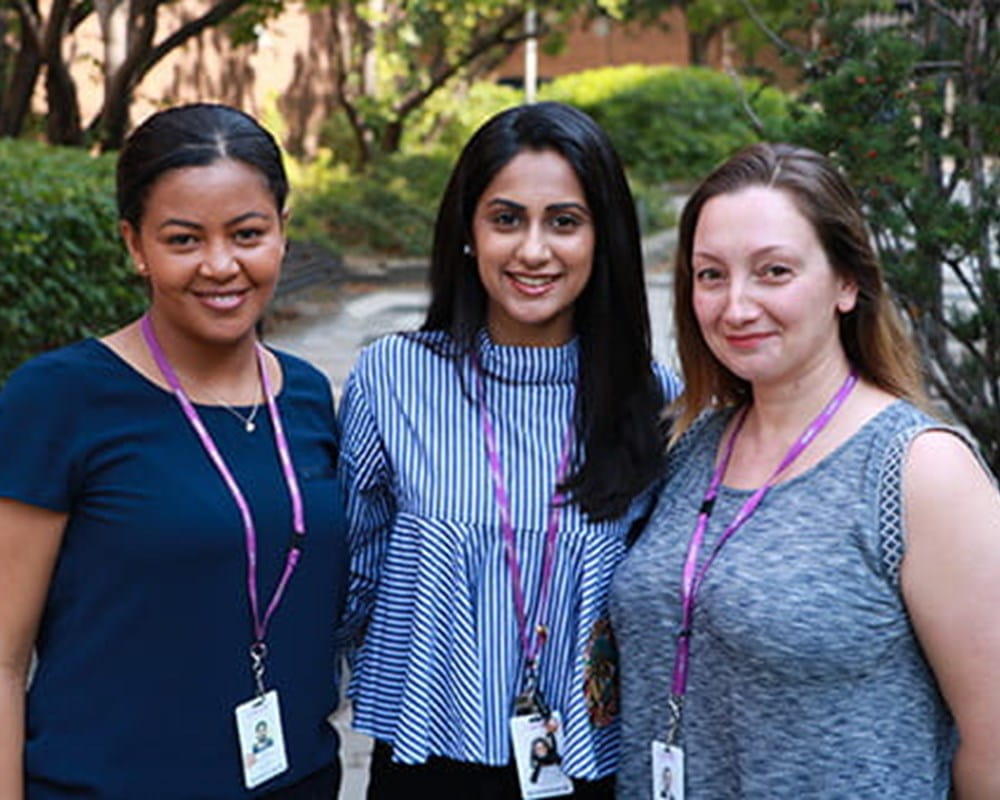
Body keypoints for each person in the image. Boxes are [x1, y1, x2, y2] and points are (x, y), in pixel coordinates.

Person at [610, 142, 1000, 798]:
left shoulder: (919, 472)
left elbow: (992, 749)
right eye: (711, 275)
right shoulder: (689, 446)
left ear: (847, 282)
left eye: (773, 272)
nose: (735, 306)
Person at [0, 103, 348, 799]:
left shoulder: (306, 396)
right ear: (136, 245)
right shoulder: (57, 399)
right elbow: (3, 662)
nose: (221, 265)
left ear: (282, 231)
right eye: (184, 239)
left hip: (298, 781)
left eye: (247, 233)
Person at [338, 101, 683, 798]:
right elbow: (353, 580)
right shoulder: (392, 380)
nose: (533, 250)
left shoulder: (653, 400)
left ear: (602, 238)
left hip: (589, 767)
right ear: (467, 232)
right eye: (506, 219)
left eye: (564, 221)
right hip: (424, 762)